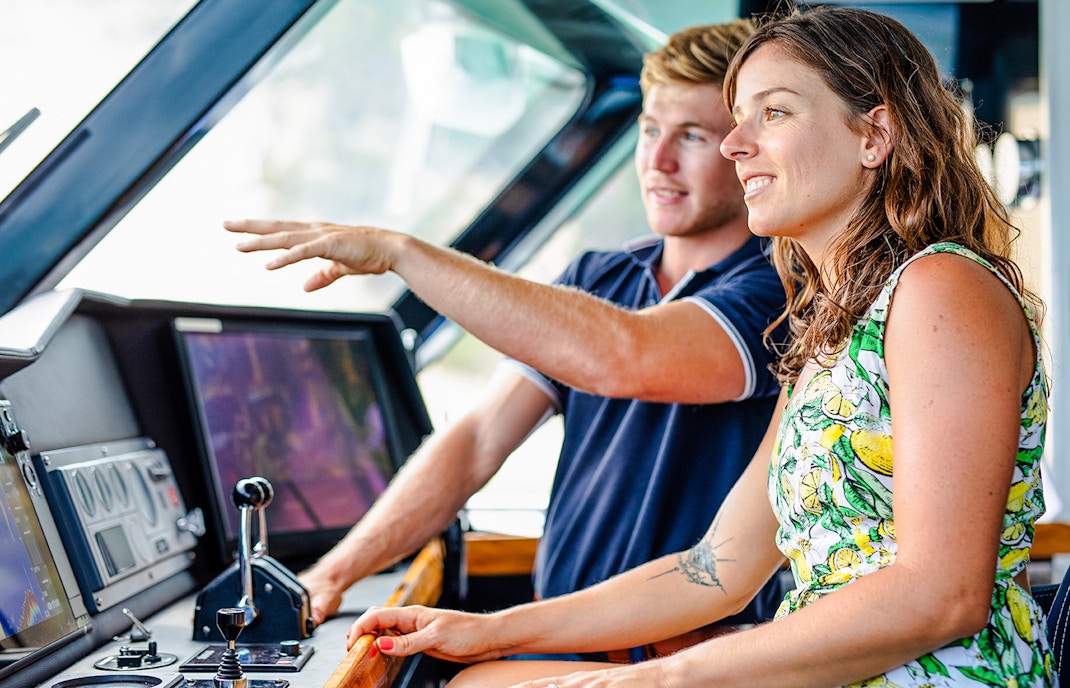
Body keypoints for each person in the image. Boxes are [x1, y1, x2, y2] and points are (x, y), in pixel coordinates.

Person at [336, 5, 1057, 686]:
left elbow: (942, 596)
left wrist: (664, 677)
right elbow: (714, 567)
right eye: (737, 121)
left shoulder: (941, 289)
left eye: (772, 113)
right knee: (485, 675)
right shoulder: (835, 326)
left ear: (874, 136)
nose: (735, 145)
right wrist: (489, 630)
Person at [226, 18, 788, 659]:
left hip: (676, 657)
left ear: (744, 148)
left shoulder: (779, 291)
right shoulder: (597, 278)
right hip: (557, 643)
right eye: (649, 130)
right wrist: (332, 573)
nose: (658, 161)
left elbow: (623, 355)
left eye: (692, 136)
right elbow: (475, 442)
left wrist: (400, 254)